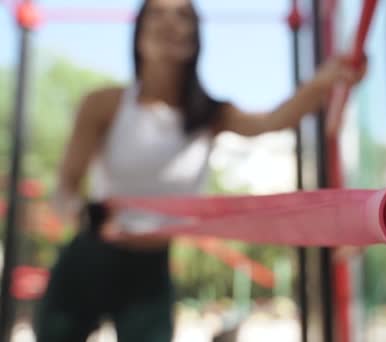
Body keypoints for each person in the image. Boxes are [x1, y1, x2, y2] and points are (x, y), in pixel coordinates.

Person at [33, 0, 366, 340]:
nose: (169, 23)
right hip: (90, 257)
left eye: (182, 16)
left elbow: (273, 120)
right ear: (138, 32)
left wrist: (323, 82)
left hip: (151, 269)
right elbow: (65, 187)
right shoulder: (104, 103)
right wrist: (86, 216)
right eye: (157, 14)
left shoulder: (210, 114)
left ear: (195, 37)